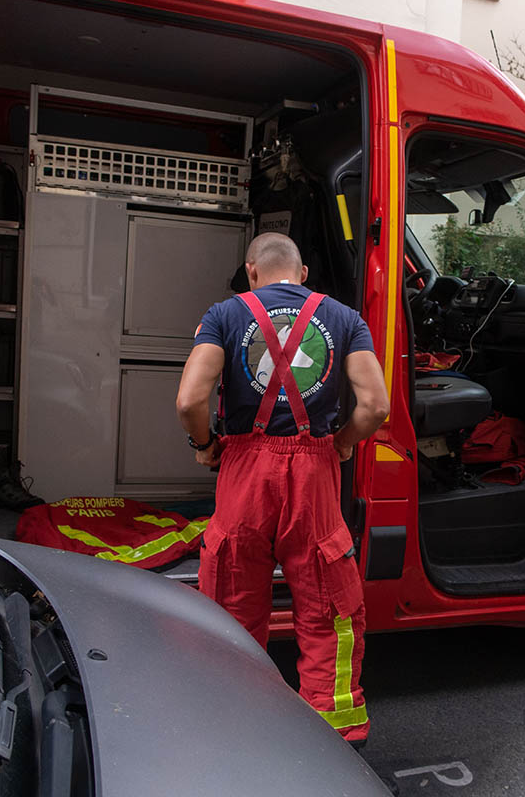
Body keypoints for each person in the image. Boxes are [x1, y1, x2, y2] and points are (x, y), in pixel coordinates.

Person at [176, 232, 389, 744]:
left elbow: (189, 400)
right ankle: (331, 740)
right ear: (303, 274)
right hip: (313, 472)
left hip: (244, 472)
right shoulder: (344, 318)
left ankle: (234, 732)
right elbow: (376, 406)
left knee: (231, 604)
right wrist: (341, 444)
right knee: (327, 608)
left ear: (252, 272)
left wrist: (204, 444)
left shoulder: (224, 314)